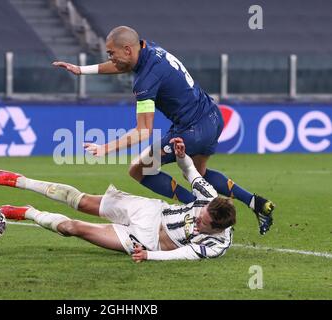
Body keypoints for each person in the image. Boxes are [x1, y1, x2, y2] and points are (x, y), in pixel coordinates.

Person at [53, 25, 274, 235]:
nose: (110, 58)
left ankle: (195, 209)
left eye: (111, 53)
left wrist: (105, 149)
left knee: (139, 169)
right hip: (212, 117)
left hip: (191, 130)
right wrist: (82, 70)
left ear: (128, 49)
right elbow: (122, 64)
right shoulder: (150, 48)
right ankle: (256, 203)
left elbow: (143, 131)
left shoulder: (145, 81)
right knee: (200, 174)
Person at [0, 138, 236, 261]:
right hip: (151, 211)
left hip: (145, 241)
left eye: (203, 223)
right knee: (82, 201)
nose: (198, 220)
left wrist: (149, 256)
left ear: (217, 228)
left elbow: (182, 255)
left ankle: (28, 213)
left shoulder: (217, 245)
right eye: (201, 215)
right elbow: (190, 172)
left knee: (72, 228)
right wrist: (181, 156)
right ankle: (20, 180)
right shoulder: (209, 198)